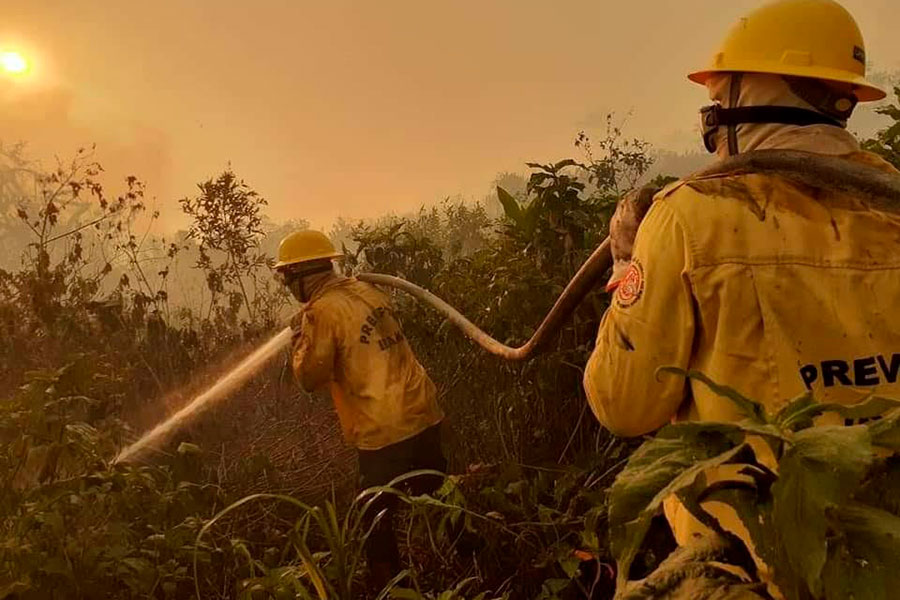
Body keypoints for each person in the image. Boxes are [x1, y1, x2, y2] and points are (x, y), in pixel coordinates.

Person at [582, 0, 900, 596]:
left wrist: (628, 263)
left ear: (744, 93)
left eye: (718, 95)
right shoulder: (892, 204)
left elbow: (622, 406)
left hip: (753, 560)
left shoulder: (688, 216)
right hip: (885, 548)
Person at [273, 229, 447, 588]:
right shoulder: (367, 290)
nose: (287, 288)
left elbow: (310, 377)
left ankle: (392, 589)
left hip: (382, 428)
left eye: (287, 278)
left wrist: (299, 340)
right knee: (442, 498)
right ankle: (476, 560)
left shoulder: (321, 312)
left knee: (376, 517)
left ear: (303, 276)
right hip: (422, 410)